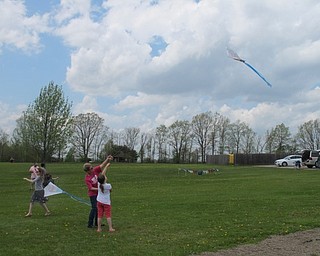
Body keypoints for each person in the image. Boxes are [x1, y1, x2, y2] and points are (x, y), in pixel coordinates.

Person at [84, 155, 113, 228]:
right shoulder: (87, 178)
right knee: (94, 208)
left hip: (99, 193)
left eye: (92, 167)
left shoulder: (95, 170)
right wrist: (100, 188)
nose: (92, 168)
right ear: (87, 171)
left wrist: (107, 159)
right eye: (91, 168)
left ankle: (97, 223)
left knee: (99, 208)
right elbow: (90, 188)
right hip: (93, 194)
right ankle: (90, 224)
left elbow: (102, 166)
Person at [97, 163, 115, 232]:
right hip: (106, 202)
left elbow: (102, 174)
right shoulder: (108, 185)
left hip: (99, 201)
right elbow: (111, 191)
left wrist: (106, 167)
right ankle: (110, 228)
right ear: (105, 179)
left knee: (99, 215)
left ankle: (99, 228)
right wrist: (107, 166)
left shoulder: (98, 184)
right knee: (108, 215)